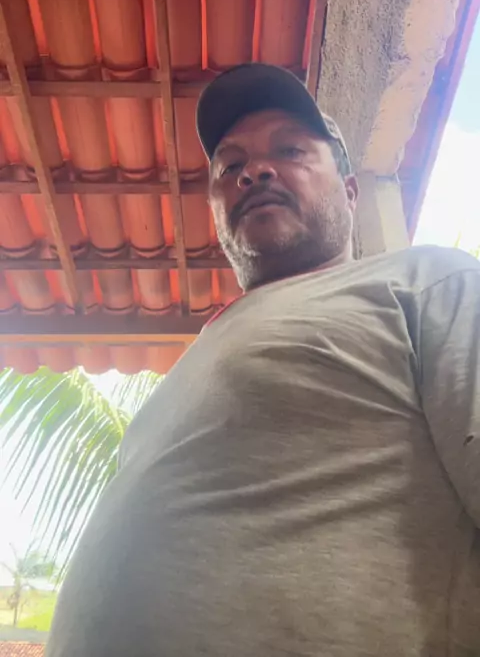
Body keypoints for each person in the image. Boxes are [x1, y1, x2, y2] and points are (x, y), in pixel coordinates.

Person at [46, 63, 480, 657]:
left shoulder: (426, 279)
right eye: (231, 166)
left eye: (291, 150)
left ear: (351, 192)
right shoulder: (197, 360)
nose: (254, 171)